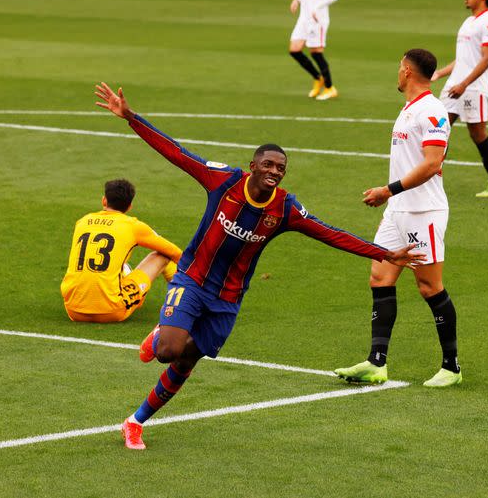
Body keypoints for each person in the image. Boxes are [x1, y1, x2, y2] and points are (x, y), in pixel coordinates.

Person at [94, 81, 425, 449]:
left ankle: (134, 422)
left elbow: (330, 233)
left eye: (280, 167)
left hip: (228, 299)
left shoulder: (284, 208)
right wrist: (131, 118)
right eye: (267, 164)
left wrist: (383, 252)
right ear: (253, 166)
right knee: (168, 350)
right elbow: (177, 153)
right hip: (193, 279)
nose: (274, 170)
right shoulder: (224, 182)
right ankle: (160, 334)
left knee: (186, 362)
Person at [334, 49, 462, 388]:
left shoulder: (432, 110)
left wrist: (387, 191)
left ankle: (452, 366)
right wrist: (392, 200)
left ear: (407, 71)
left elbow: (433, 163)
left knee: (429, 286)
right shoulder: (409, 109)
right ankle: (377, 363)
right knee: (380, 276)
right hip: (398, 212)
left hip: (424, 212)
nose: (398, 73)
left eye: (399, 68)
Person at [60, 179, 182, 323]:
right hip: (113, 311)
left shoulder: (82, 221)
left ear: (104, 201)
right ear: (129, 206)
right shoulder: (133, 226)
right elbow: (175, 252)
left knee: (122, 267)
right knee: (161, 256)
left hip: (73, 310)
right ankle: (182, 301)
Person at [431, 0, 488, 198]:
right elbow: (463, 58)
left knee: (478, 135)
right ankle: (430, 178)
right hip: (454, 86)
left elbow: (486, 58)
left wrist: (464, 84)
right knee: (438, 129)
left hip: (472, 89)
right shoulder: (469, 21)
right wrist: (440, 73)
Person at [288, 0, 339, 101]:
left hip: (317, 18)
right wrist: (298, 0)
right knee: (294, 49)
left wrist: (317, 7)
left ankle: (330, 88)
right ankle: (318, 78)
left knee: (316, 52)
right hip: (304, 17)